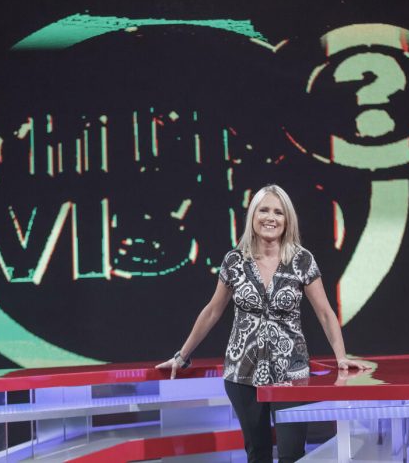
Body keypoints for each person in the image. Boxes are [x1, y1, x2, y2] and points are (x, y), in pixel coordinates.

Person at [156, 184, 370, 463]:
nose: (271, 218)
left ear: (287, 220)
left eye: (278, 212)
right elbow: (212, 311)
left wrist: (341, 357)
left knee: (292, 455)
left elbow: (325, 313)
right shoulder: (234, 261)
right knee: (257, 454)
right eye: (264, 210)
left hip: (291, 374)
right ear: (253, 216)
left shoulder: (301, 260)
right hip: (242, 374)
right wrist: (181, 357)